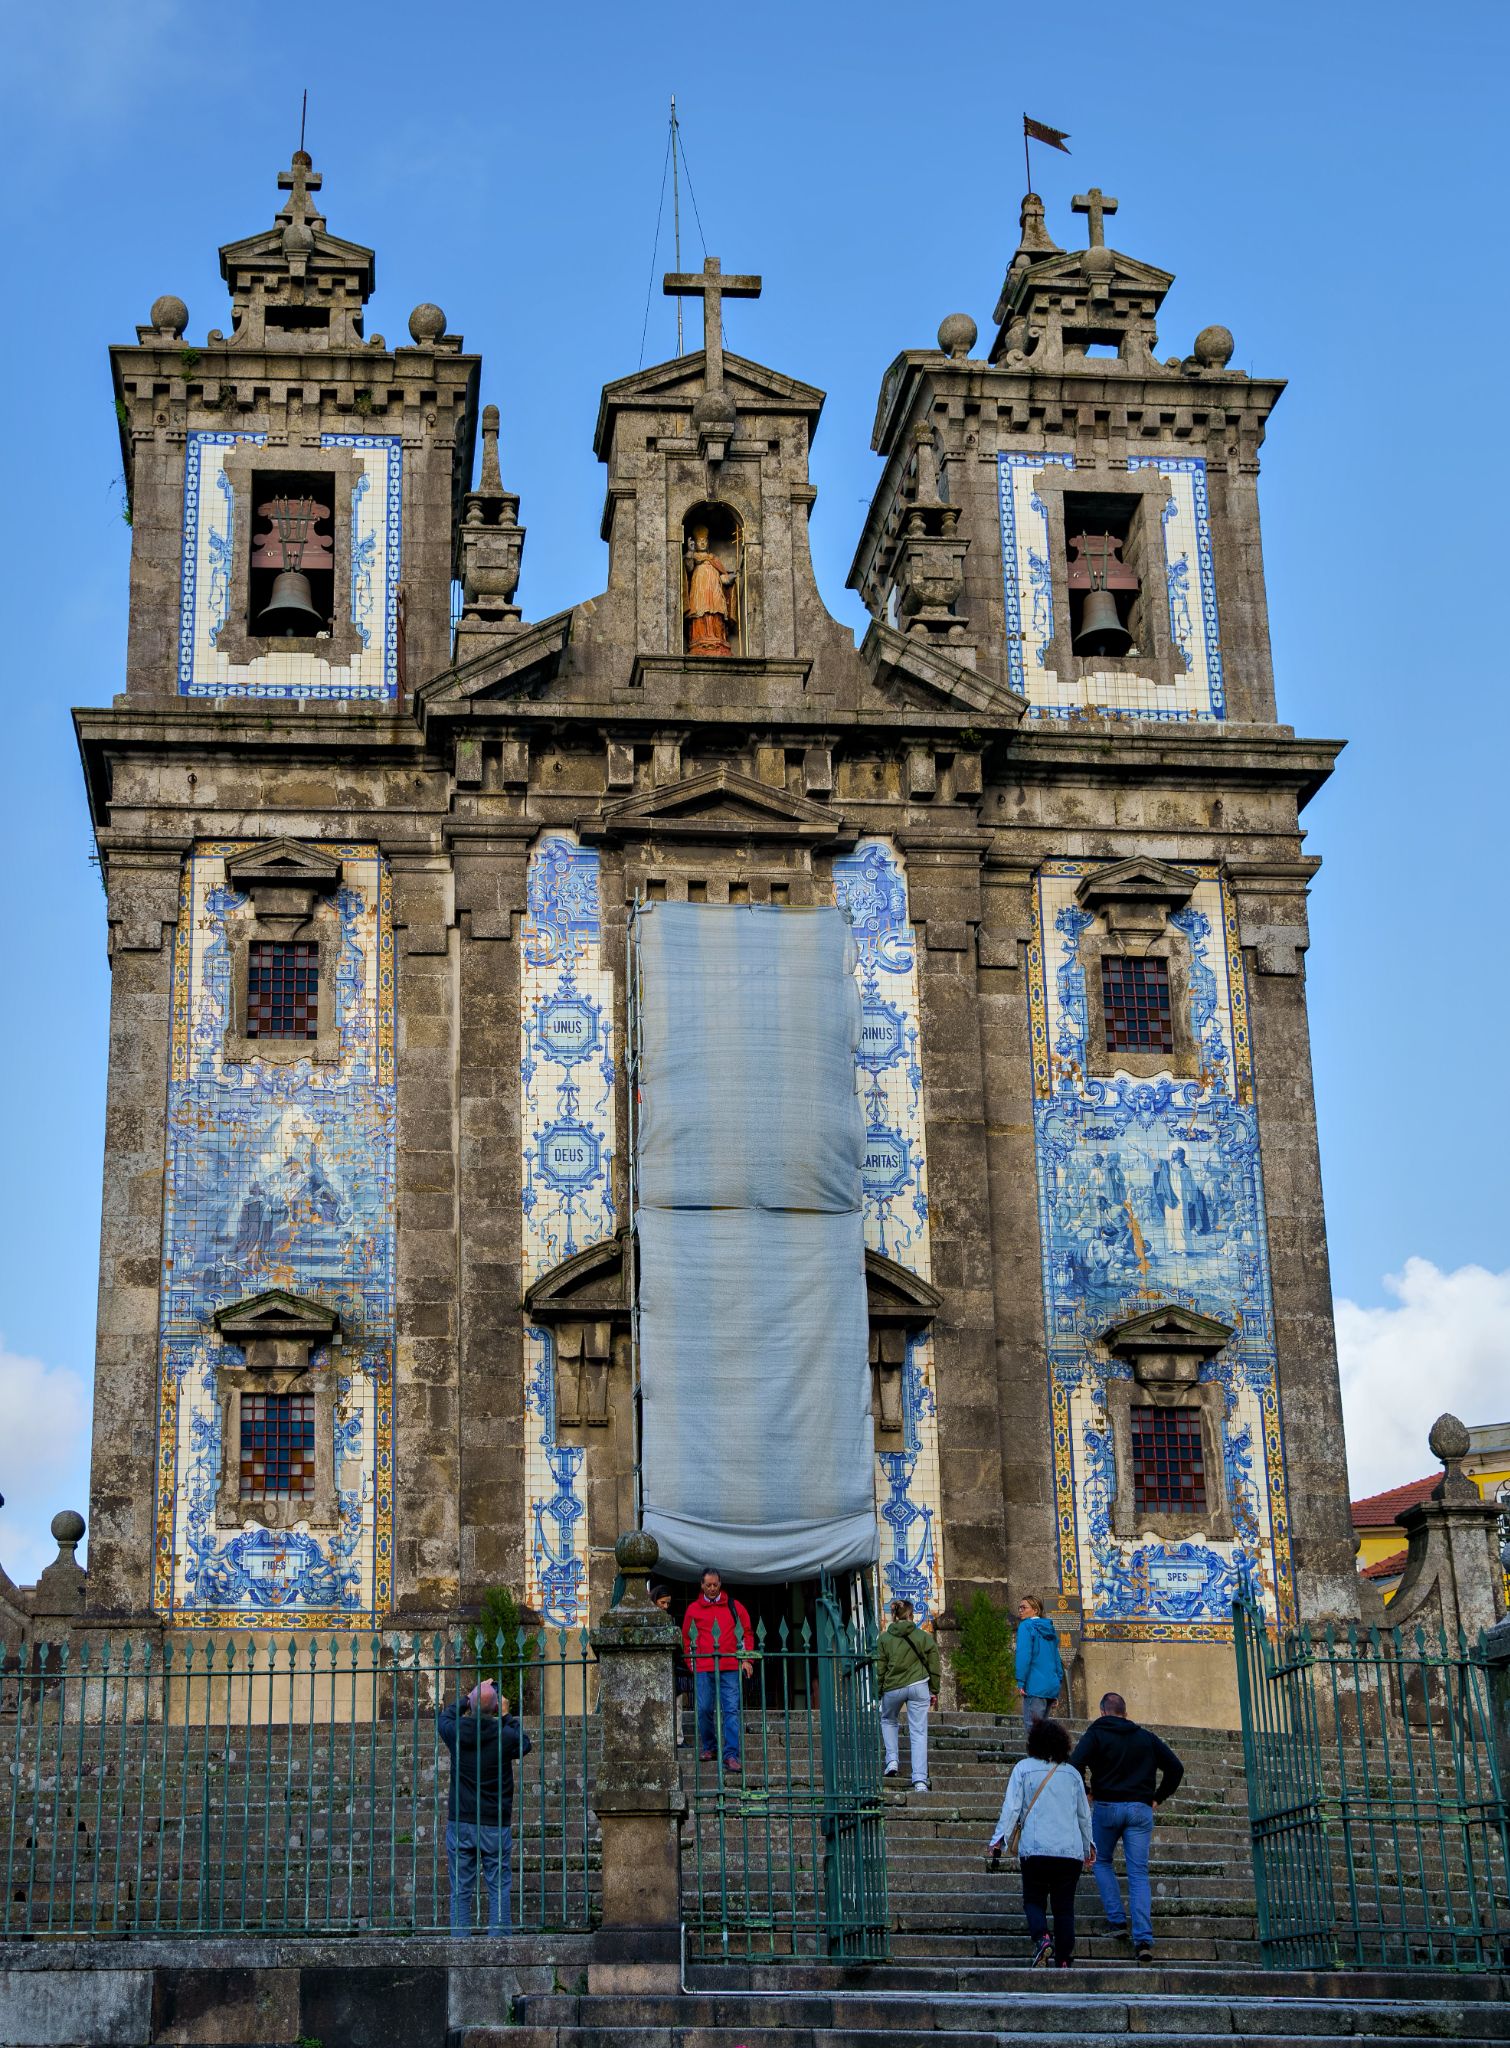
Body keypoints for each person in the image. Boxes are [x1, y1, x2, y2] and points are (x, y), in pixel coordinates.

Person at [1069, 1690, 1184, 1963]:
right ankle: (1143, 1938)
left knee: (1101, 1861)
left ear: (1102, 1712)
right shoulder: (1145, 1737)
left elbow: (1074, 1763)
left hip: (1107, 1807)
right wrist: (1158, 1797)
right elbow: (1175, 1768)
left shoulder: (1096, 1733)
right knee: (1138, 1873)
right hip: (1140, 1810)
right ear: (1126, 1713)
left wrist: (1087, 1790)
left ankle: (1118, 1921)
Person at [987, 1716, 1095, 1968]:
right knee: (1064, 1908)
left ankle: (1042, 1938)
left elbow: (1011, 1809)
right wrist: (1088, 1846)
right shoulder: (1072, 1774)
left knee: (1033, 1900)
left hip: (1035, 1850)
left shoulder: (1023, 1769)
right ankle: (1064, 1960)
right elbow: (1083, 1814)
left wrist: (999, 1841)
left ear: (1033, 1742)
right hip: (1069, 1853)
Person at [436, 1679, 532, 1936]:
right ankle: (498, 1951)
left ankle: (461, 1951)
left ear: (472, 1707)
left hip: (462, 1821)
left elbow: (443, 1718)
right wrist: (506, 1714)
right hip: (494, 1823)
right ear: (495, 1708)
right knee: (498, 1887)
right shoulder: (506, 1735)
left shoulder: (456, 1732)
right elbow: (525, 1744)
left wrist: (467, 1699)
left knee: (461, 1891)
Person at [682, 1567, 754, 1773]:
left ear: (720, 1584)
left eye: (715, 1584)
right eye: (708, 1585)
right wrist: (691, 1663)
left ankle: (731, 1755)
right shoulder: (693, 1609)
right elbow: (686, 1638)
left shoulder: (735, 1606)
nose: (712, 1588)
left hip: (730, 1666)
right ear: (701, 1585)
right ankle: (710, 1746)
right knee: (704, 1709)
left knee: (730, 1710)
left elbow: (747, 1633)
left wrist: (747, 1659)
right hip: (704, 1666)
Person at [874, 1596, 941, 1792]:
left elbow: (880, 1668)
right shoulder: (923, 1637)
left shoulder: (884, 1638)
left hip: (893, 1687)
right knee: (918, 1731)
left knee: (888, 1720)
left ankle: (892, 1761)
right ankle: (919, 1780)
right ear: (912, 1615)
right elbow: (934, 1664)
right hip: (919, 1685)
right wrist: (934, 1689)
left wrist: (878, 1691)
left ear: (893, 1616)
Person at [651, 1581, 694, 1747]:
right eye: (662, 1602)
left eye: (668, 1603)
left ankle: (678, 1739)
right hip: (655, 1670)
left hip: (671, 1668)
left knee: (677, 1705)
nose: (665, 1606)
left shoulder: (670, 1620)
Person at [1014, 1596, 1065, 1729]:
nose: (1020, 1610)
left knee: (1033, 1731)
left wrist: (1021, 1681)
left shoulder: (1026, 1626)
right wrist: (1056, 1686)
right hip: (1050, 1686)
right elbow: (1056, 1660)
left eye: (1024, 1607)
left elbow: (1023, 1655)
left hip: (1034, 1686)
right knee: (1042, 1731)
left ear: (1035, 1610)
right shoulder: (1049, 1629)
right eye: (1019, 1607)